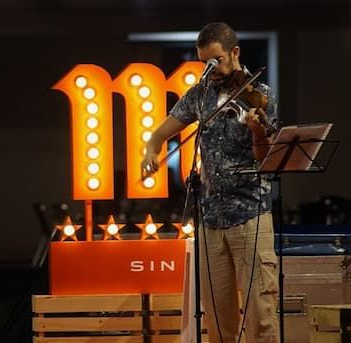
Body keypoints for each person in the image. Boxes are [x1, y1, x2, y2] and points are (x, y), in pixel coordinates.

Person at [141, 22, 279, 342]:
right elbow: (160, 133)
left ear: (235, 53)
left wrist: (258, 130)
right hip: (211, 219)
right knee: (217, 315)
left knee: (260, 312)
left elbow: (266, 158)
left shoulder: (260, 95)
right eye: (204, 62)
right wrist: (150, 151)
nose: (210, 69)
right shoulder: (200, 94)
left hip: (250, 215)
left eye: (215, 61)